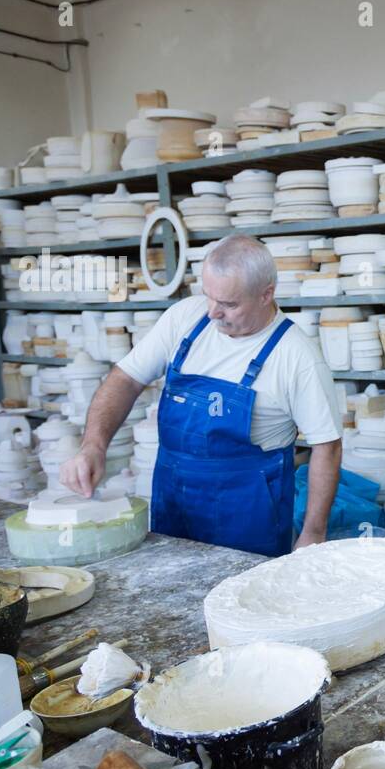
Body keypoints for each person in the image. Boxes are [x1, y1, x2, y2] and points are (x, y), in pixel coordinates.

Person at [59, 234, 342, 555]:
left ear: (267, 294)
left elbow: (327, 445)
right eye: (208, 296)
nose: (212, 313)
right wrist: (93, 446)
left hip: (247, 510)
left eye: (229, 304)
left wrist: (313, 532)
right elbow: (125, 379)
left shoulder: (297, 356)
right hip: (174, 495)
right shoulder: (185, 318)